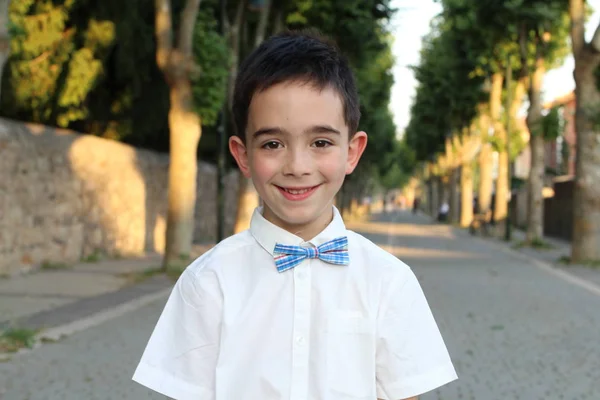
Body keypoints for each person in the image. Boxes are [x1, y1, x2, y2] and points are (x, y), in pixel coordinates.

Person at [132, 30, 457, 400]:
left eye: (320, 143)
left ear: (352, 151)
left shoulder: (389, 281)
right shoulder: (208, 282)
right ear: (243, 155)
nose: (297, 166)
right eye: (273, 144)